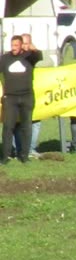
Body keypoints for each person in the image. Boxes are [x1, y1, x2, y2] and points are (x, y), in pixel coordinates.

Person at [1, 34, 43, 164]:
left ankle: (24, 156)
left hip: (27, 96)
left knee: (26, 127)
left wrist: (32, 48)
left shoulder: (29, 57)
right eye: (12, 45)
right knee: (8, 127)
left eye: (16, 45)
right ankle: (5, 157)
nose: (14, 48)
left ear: (21, 45)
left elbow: (39, 56)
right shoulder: (5, 58)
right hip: (11, 98)